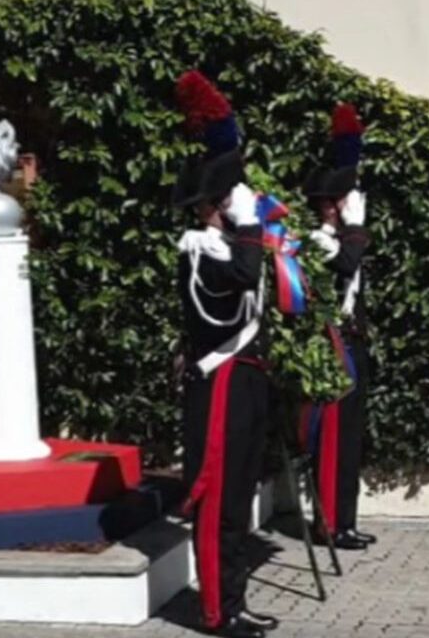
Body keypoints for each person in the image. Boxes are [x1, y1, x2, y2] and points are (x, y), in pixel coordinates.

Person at [173, 70, 278, 638]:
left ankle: (232, 601)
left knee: (239, 499)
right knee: (218, 501)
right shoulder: (199, 250)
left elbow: (269, 292)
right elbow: (236, 284)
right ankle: (217, 611)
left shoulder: (230, 245)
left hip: (247, 382)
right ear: (215, 204)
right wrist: (251, 227)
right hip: (220, 385)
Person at [301, 162, 375, 551]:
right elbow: (346, 262)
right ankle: (329, 524)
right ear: (328, 205)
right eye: (343, 200)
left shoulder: (344, 239)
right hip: (333, 348)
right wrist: (356, 225)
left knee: (350, 439)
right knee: (333, 440)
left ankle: (346, 520)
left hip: (352, 344)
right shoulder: (317, 239)